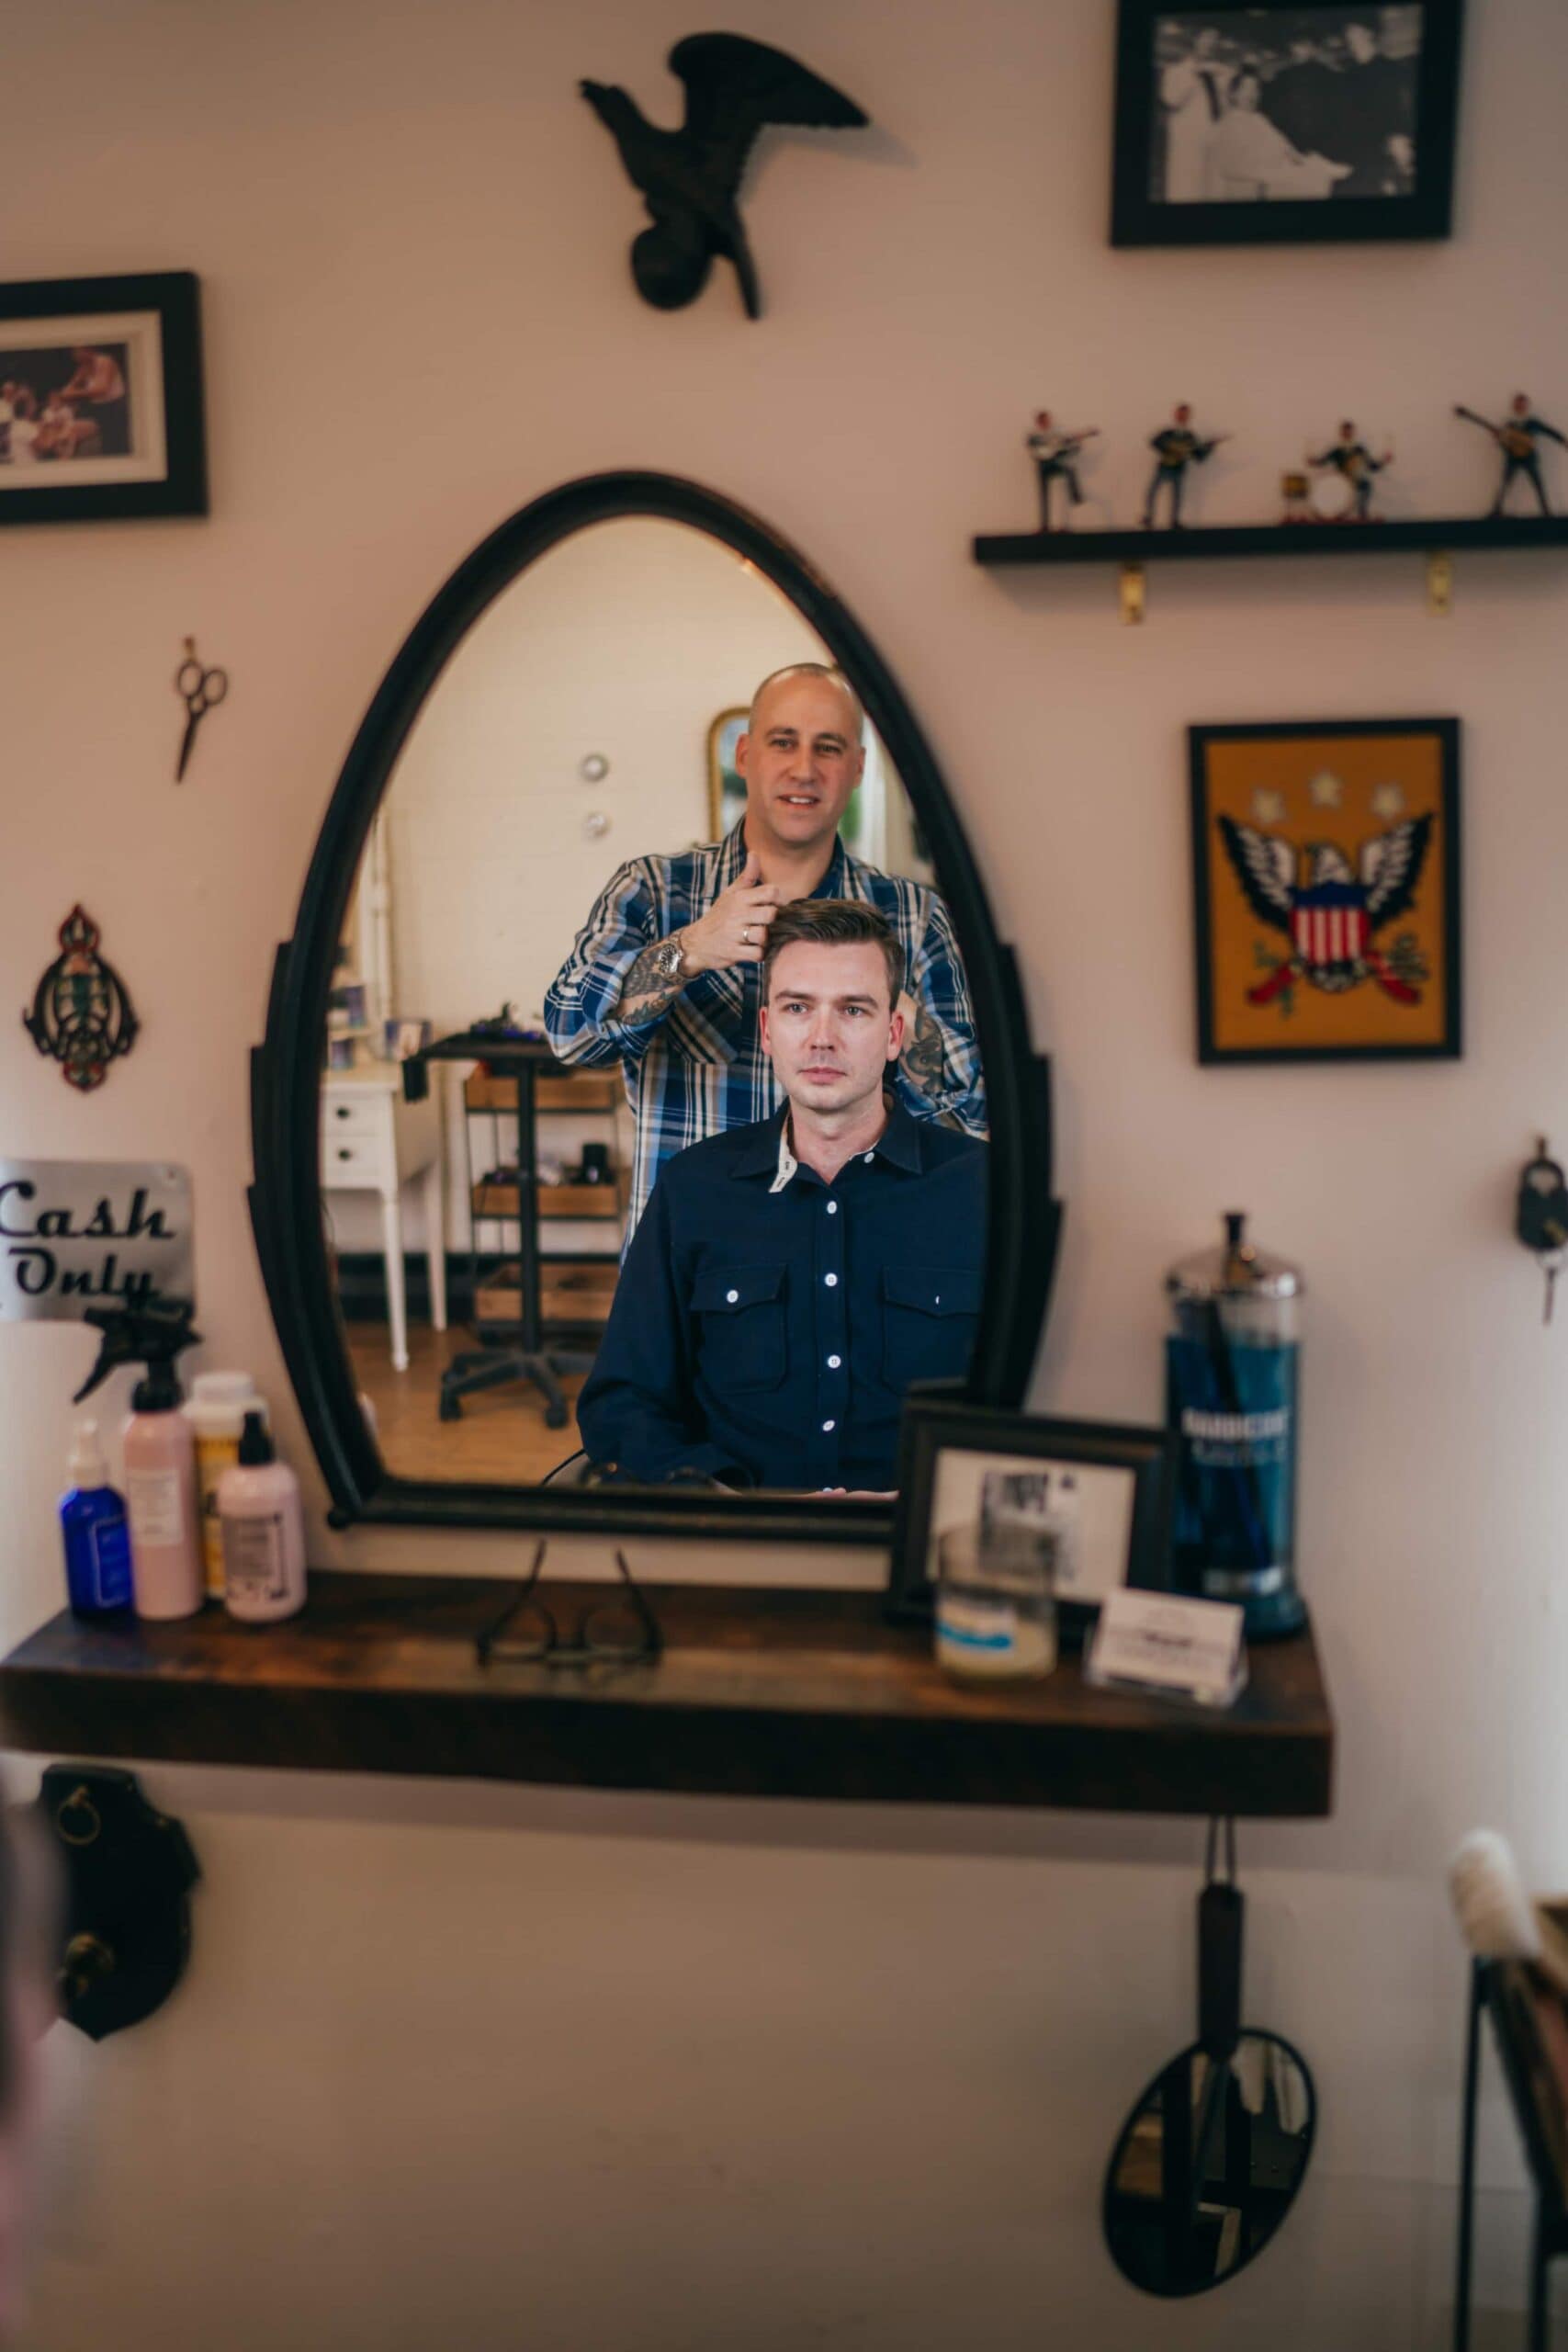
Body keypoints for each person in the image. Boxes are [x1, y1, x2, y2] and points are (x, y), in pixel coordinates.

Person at [545, 662, 986, 1238]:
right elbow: (569, 1035)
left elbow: (972, 1111)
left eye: (827, 748)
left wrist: (876, 1001)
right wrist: (691, 949)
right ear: (746, 755)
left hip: (854, 1253)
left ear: (856, 768)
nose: (804, 769)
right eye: (784, 742)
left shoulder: (913, 916)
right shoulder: (653, 891)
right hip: (696, 1255)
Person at [576, 899, 986, 1493]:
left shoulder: (979, 1189)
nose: (822, 1038)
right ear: (768, 1031)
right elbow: (622, 1403)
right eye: (798, 1008)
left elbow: (1026, 1396)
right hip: (739, 1545)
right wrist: (718, 1499)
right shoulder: (694, 1190)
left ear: (893, 1035)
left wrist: (929, 1497)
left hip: (912, 1541)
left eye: (853, 1009)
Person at [1157, 26, 1231, 203]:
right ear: (1195, 41)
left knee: (1213, 188)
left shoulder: (1219, 72)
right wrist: (1193, 74)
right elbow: (1172, 100)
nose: (1210, 43)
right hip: (1188, 140)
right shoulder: (1176, 71)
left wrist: (1225, 79)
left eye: (1215, 39)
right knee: (1186, 188)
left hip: (1215, 136)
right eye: (1206, 37)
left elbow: (1225, 107)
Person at [1142, 402, 1225, 529]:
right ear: (1175, 415)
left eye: (1185, 415)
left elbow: (1198, 454)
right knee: (1152, 492)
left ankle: (1174, 521)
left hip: (1178, 469)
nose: (1182, 417)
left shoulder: (1189, 436)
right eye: (1180, 414)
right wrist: (1171, 447)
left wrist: (1210, 446)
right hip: (1164, 467)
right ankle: (1149, 517)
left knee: (1177, 496)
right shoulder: (1168, 432)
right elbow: (1154, 442)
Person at [1026, 410, 1098, 531]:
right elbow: (1035, 450)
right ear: (1039, 422)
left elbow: (1068, 438)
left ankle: (1075, 496)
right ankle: (1044, 525)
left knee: (1069, 471)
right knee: (1044, 496)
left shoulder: (1055, 432)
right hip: (1042, 466)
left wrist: (1085, 434)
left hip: (1053, 463)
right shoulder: (1034, 435)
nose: (1047, 422)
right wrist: (1047, 448)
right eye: (1044, 420)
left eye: (1048, 420)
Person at [1309, 420, 1391, 520]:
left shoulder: (1359, 449)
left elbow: (1372, 466)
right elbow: (1322, 461)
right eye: (1345, 431)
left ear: (1352, 433)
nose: (1347, 433)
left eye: (1349, 431)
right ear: (1341, 433)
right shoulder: (1336, 450)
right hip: (1340, 482)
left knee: (1366, 485)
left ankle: (1362, 512)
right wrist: (1313, 462)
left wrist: (1384, 461)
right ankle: (1334, 514)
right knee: (1331, 491)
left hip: (1354, 480)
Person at [57, 345, 129, 456]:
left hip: (114, 408)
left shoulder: (105, 361)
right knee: (69, 431)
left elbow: (102, 389)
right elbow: (66, 391)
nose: (75, 355)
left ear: (88, 350)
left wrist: (74, 393)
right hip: (97, 409)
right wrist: (69, 392)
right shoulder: (83, 368)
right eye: (73, 353)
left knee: (114, 448)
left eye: (77, 351)